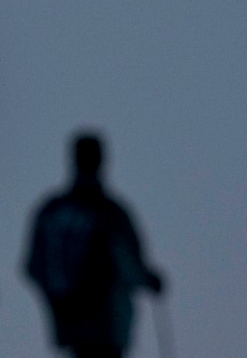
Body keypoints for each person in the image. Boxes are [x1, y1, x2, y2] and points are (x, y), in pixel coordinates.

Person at [25, 131, 164, 358]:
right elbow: (128, 265)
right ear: (102, 160)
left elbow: (32, 266)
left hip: (68, 326)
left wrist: (60, 301)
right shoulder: (110, 212)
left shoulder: (50, 212)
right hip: (108, 325)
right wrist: (150, 280)